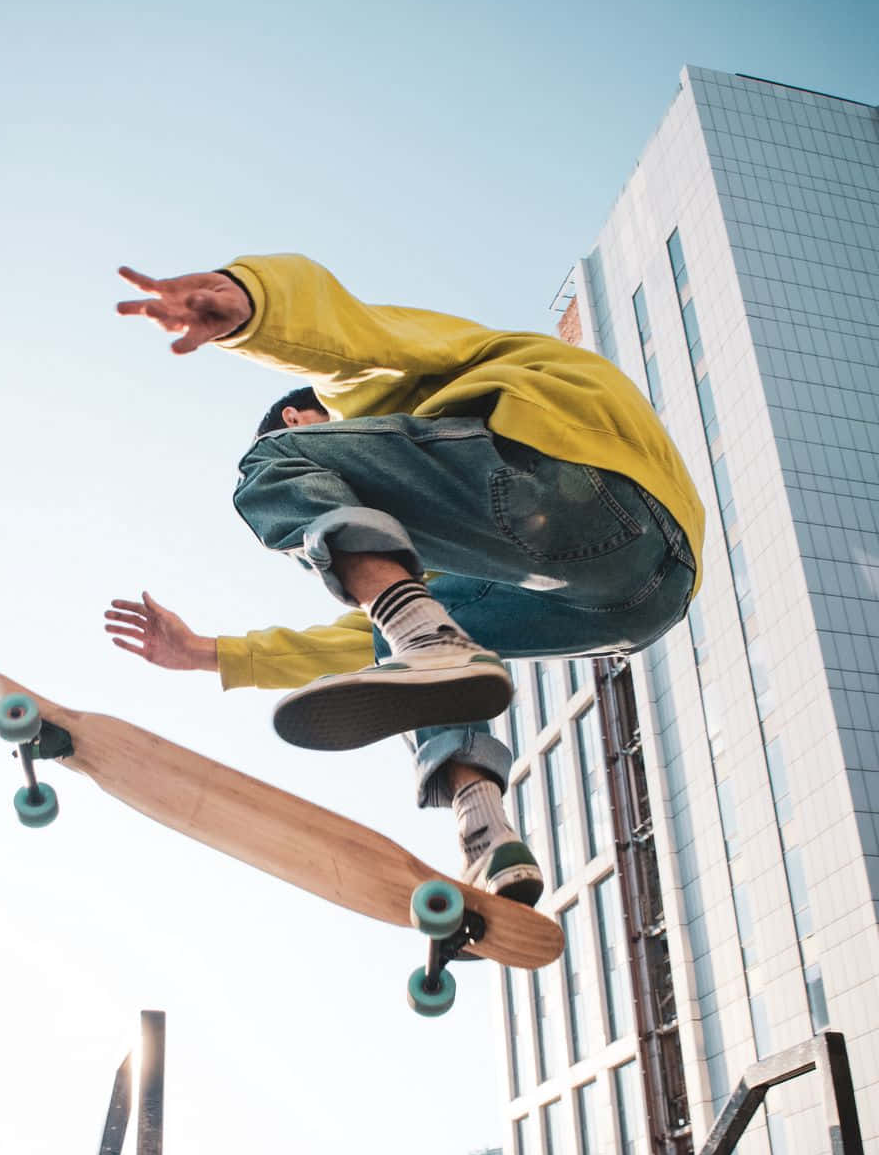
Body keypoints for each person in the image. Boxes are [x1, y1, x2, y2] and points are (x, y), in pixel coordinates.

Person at [105, 255, 704, 907]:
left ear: (307, 418)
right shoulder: (448, 541)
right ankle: (486, 831)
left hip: (573, 480)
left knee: (268, 471)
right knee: (412, 638)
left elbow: (348, 334)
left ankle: (427, 645)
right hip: (643, 597)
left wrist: (250, 304)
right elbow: (364, 639)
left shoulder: (371, 388)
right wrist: (209, 654)